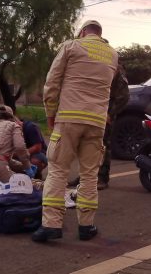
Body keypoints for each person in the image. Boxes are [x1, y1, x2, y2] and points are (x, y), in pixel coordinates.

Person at [32, 20, 118, 242]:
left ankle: (51, 225)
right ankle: (86, 226)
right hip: (97, 122)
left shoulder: (72, 46)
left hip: (70, 117)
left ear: (82, 32)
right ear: (100, 35)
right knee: (90, 174)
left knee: (58, 170)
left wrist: (51, 112)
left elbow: (52, 82)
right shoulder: (112, 55)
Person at [68, 63, 129, 190]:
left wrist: (110, 114)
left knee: (102, 146)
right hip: (91, 109)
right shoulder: (94, 66)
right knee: (86, 145)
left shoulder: (115, 67)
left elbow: (124, 96)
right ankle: (85, 176)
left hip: (106, 111)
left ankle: (102, 178)